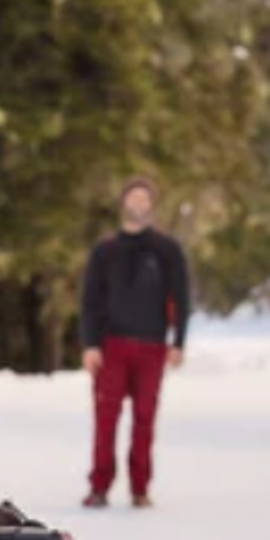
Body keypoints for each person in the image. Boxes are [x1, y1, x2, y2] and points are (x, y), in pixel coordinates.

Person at [80, 176, 190, 508]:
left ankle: (140, 488)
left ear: (152, 207)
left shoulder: (167, 250)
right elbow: (90, 300)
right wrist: (90, 344)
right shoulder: (105, 251)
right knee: (105, 418)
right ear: (124, 204)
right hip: (112, 344)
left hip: (152, 345)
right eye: (134, 199)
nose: (139, 205)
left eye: (145, 200)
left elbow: (181, 298)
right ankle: (99, 485)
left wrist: (178, 341)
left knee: (145, 419)